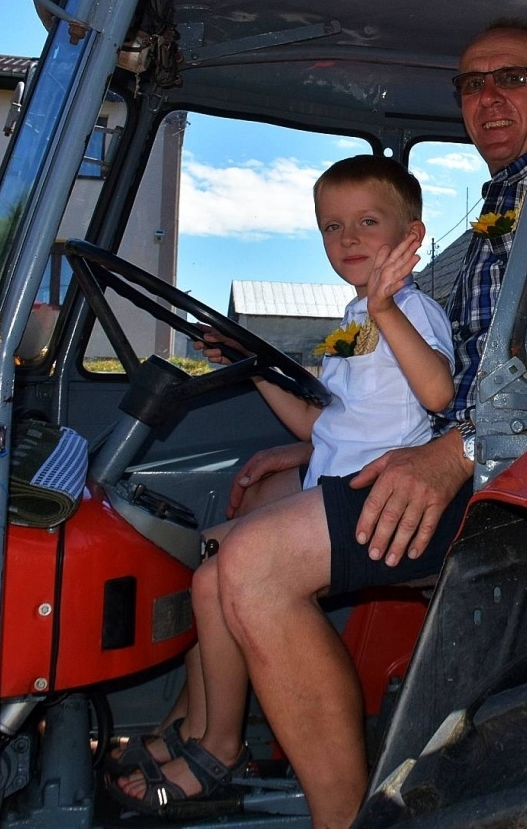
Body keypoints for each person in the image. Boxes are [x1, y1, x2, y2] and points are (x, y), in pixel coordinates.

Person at [116, 23, 527, 829]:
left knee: (256, 563)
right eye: (472, 85)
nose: (487, 98)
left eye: (514, 77)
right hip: (477, 444)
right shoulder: (507, 201)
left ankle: (337, 815)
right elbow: (429, 383)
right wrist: (316, 439)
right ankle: (214, 729)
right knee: (246, 511)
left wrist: (452, 453)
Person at [109, 155, 454, 817]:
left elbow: (438, 391)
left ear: (412, 235)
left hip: (386, 499)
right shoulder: (359, 318)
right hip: (338, 481)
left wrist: (386, 306)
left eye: (367, 222)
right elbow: (324, 420)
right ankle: (204, 733)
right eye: (330, 227)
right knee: (211, 558)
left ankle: (220, 744)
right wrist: (255, 368)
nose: (347, 238)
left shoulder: (410, 310)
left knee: (232, 561)